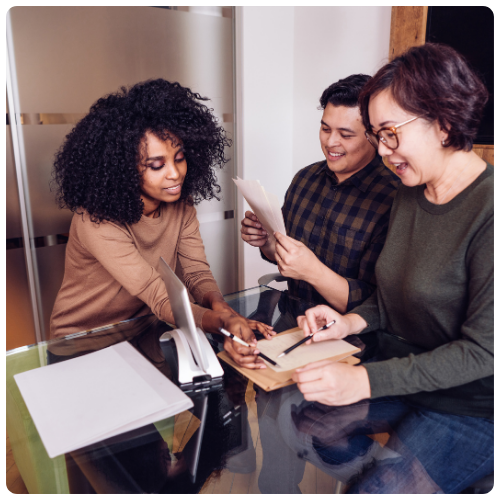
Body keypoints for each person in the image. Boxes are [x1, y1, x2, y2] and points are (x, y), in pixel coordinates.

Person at [292, 43, 493, 493]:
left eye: (389, 133)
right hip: (410, 375)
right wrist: (349, 321)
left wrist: (363, 379)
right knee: (311, 422)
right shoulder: (410, 191)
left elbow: (483, 353)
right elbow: (393, 294)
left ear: (442, 124)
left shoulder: (488, 211)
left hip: (474, 403)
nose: (382, 150)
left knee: (380, 487)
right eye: (376, 135)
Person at [50, 79, 273, 368]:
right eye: (156, 165)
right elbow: (158, 294)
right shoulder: (96, 220)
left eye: (179, 158)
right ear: (123, 168)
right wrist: (222, 323)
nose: (175, 174)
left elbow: (196, 272)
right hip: (83, 345)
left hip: (144, 334)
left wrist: (225, 311)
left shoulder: (180, 204)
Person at [241, 74, 400, 314]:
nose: (331, 142)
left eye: (346, 135)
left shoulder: (393, 200)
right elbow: (282, 256)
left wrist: (313, 272)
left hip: (352, 337)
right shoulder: (305, 179)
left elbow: (377, 304)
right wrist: (266, 242)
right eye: (325, 129)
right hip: (292, 318)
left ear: (374, 136)